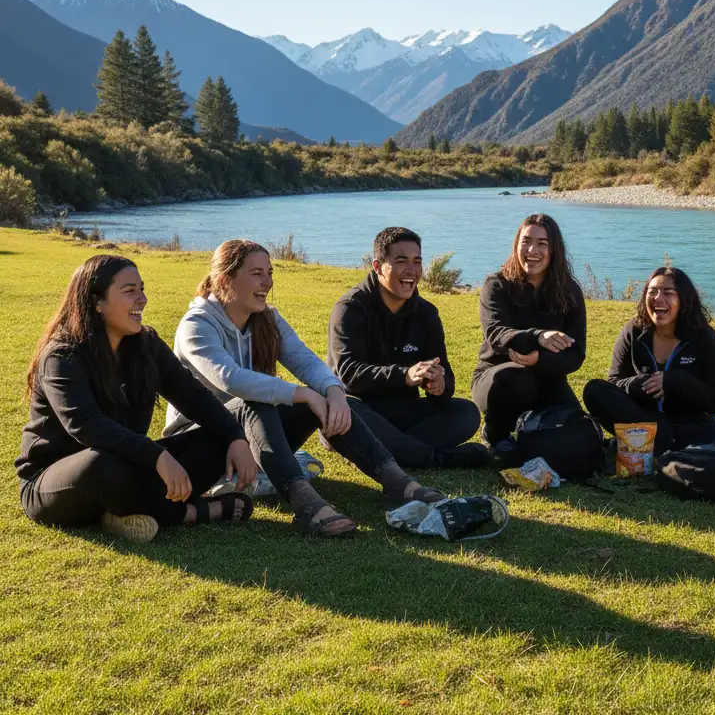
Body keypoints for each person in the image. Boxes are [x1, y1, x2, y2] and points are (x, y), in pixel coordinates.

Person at [166, 240, 444, 538]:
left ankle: (396, 482)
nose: (267, 282)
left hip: (249, 438)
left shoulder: (266, 318)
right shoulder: (197, 325)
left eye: (269, 273)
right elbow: (231, 379)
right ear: (225, 280)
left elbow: (305, 360)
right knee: (254, 401)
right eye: (257, 273)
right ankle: (306, 503)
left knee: (322, 395)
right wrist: (302, 394)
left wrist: (333, 392)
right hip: (198, 445)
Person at [17, 254, 260, 544]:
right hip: (60, 481)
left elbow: (193, 397)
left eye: (142, 289)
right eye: (129, 291)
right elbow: (85, 425)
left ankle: (123, 513)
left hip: (130, 466)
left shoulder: (146, 345)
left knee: (216, 440)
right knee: (101, 463)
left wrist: (234, 437)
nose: (142, 299)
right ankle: (194, 512)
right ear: (97, 302)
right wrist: (156, 455)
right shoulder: (63, 356)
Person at [326, 226, 485, 469]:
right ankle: (436, 458)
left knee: (467, 413)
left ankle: (384, 450)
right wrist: (405, 375)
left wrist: (439, 385)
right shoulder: (351, 308)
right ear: (378, 267)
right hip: (358, 410)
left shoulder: (426, 313)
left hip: (404, 414)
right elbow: (348, 375)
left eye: (417, 261)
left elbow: (447, 376)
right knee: (345, 409)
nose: (411, 270)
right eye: (401, 261)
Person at [583, 266, 715, 453]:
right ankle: (657, 442)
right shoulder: (633, 331)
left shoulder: (704, 337)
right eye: (652, 292)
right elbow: (614, 384)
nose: (658, 298)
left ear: (684, 300)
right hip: (641, 417)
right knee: (594, 390)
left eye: (668, 293)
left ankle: (644, 443)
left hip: (687, 422)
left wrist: (676, 381)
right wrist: (642, 383)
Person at [472, 213, 586, 449]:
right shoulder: (497, 285)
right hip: (496, 378)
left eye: (542, 243)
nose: (532, 250)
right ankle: (496, 432)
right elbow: (496, 334)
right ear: (516, 244)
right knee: (517, 377)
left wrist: (539, 360)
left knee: (578, 426)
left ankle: (531, 429)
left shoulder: (570, 291)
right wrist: (538, 337)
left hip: (546, 378)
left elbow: (575, 355)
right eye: (526, 241)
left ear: (554, 249)